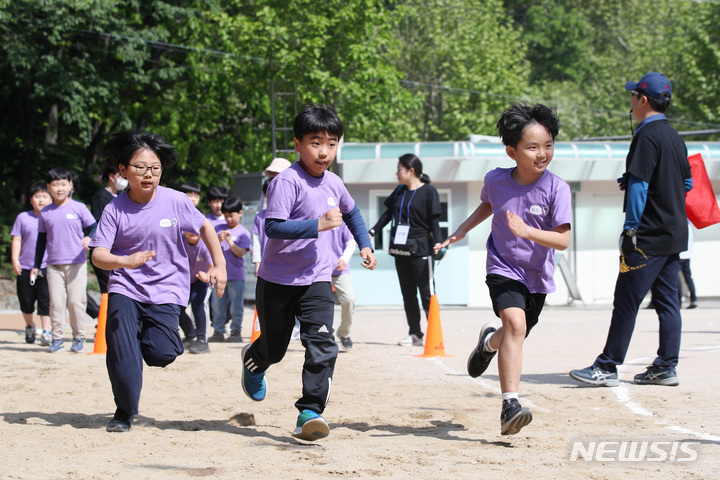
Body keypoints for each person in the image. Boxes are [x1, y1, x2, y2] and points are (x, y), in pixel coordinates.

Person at [241, 104, 377, 442]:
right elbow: (272, 227)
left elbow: (352, 213)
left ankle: (310, 412)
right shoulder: (286, 183)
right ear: (298, 144)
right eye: (316, 142)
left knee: (320, 342)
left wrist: (364, 244)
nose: (325, 151)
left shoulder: (334, 182)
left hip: (317, 279)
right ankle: (253, 360)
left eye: (332, 143)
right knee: (274, 349)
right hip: (277, 280)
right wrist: (318, 225)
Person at [437, 103, 570, 435]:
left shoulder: (558, 188)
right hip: (503, 266)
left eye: (548, 145)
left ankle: (487, 344)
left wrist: (528, 232)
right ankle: (510, 404)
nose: (542, 153)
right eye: (533, 147)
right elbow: (488, 203)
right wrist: (463, 229)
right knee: (515, 323)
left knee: (514, 333)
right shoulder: (496, 179)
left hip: (537, 277)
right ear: (512, 151)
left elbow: (563, 240)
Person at [90, 130, 227, 433]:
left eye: (155, 168)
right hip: (125, 286)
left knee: (161, 353)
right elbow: (98, 254)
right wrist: (124, 261)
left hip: (167, 289)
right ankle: (124, 412)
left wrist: (220, 264)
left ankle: (139, 340)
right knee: (122, 351)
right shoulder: (115, 208)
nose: (148, 174)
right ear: (124, 171)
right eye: (140, 167)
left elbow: (204, 226)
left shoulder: (176, 201)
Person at [570, 72, 692, 388]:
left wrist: (630, 230)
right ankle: (666, 366)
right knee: (668, 303)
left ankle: (607, 366)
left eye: (633, 96)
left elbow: (640, 185)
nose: (631, 101)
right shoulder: (675, 137)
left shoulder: (645, 136)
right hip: (674, 233)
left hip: (647, 238)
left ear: (643, 100)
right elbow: (687, 183)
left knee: (626, 299)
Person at [368, 154, 442, 347]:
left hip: (422, 250)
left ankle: (436, 335)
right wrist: (372, 232)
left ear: (411, 171)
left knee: (427, 293)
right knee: (408, 294)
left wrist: (439, 243)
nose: (396, 173)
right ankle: (415, 333)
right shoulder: (400, 190)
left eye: (399, 169)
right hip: (401, 249)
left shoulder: (429, 191)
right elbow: (387, 215)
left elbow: (435, 221)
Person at [33, 167, 97, 353]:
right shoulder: (45, 213)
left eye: (63, 184)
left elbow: (93, 226)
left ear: (71, 186)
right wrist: (37, 265)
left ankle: (79, 337)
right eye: (55, 184)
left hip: (76, 262)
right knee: (57, 303)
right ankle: (57, 338)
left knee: (76, 302)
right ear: (49, 187)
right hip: (53, 264)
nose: (59, 188)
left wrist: (89, 238)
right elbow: (41, 241)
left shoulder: (79, 208)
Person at [11, 182, 52, 345]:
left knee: (45, 300)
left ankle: (47, 332)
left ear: (51, 199)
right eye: (37, 196)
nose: (41, 200)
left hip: (47, 266)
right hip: (25, 265)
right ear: (31, 199)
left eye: (44, 196)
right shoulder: (23, 217)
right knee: (26, 301)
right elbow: (17, 239)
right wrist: (15, 260)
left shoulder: (52, 217)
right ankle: (30, 326)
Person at [177, 181, 213, 354]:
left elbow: (214, 263)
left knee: (198, 304)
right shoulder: (179, 239)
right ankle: (190, 336)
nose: (191, 229)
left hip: (200, 280)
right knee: (177, 307)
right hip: (184, 279)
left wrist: (208, 275)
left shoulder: (204, 244)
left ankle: (202, 339)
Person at [209, 196, 250, 343]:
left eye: (231, 216)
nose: (229, 220)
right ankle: (218, 331)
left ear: (240, 213)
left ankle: (235, 331)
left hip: (236, 276)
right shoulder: (217, 229)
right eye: (226, 216)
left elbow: (240, 253)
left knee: (236, 306)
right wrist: (217, 240)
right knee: (217, 305)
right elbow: (209, 249)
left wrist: (229, 240)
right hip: (219, 276)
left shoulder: (243, 232)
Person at [91, 166, 128, 294]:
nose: (124, 179)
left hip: (118, 248)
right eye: (121, 176)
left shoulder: (120, 196)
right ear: (112, 177)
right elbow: (98, 221)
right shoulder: (101, 196)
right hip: (105, 247)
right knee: (109, 288)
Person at [329, 223, 357, 350]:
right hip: (316, 270)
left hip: (339, 270)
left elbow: (351, 242)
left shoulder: (342, 220)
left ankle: (344, 333)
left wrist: (344, 259)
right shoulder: (312, 214)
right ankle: (321, 336)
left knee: (349, 300)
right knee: (319, 304)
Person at [678, 220, 697, 309]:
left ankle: (678, 302)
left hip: (680, 254)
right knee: (688, 277)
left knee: (676, 279)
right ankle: (694, 299)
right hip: (687, 254)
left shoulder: (680, 222)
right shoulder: (689, 224)